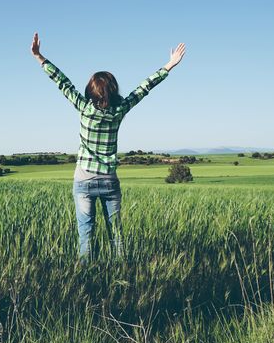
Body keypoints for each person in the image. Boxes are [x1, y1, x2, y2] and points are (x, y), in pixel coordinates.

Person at [31, 32, 185, 263]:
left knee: (86, 235)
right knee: (116, 235)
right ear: (113, 90)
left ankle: (86, 278)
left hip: (83, 179)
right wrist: (169, 65)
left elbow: (62, 81)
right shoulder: (119, 110)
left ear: (90, 92)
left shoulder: (83, 108)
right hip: (109, 180)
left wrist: (39, 56)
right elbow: (144, 88)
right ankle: (122, 272)